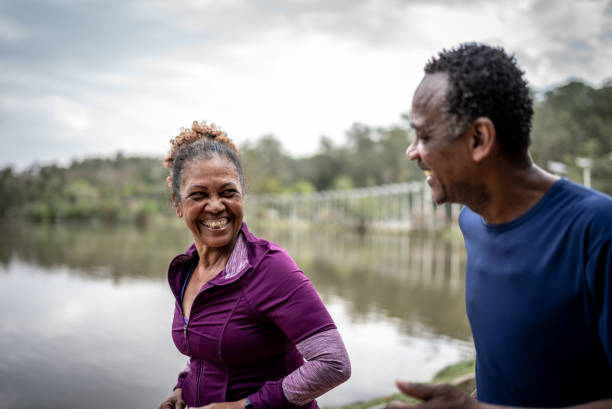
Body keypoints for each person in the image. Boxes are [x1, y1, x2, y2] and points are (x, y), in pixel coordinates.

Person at [390, 43, 612, 409]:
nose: (412, 152)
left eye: (425, 136)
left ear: (479, 139)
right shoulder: (471, 221)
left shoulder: (597, 231)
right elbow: (517, 374)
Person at [157, 121, 350, 409]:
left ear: (242, 195)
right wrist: (181, 387)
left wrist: (245, 406)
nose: (215, 206)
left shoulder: (269, 269)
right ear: (177, 202)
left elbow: (333, 363)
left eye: (227, 192)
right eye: (199, 195)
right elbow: (203, 352)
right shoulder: (186, 271)